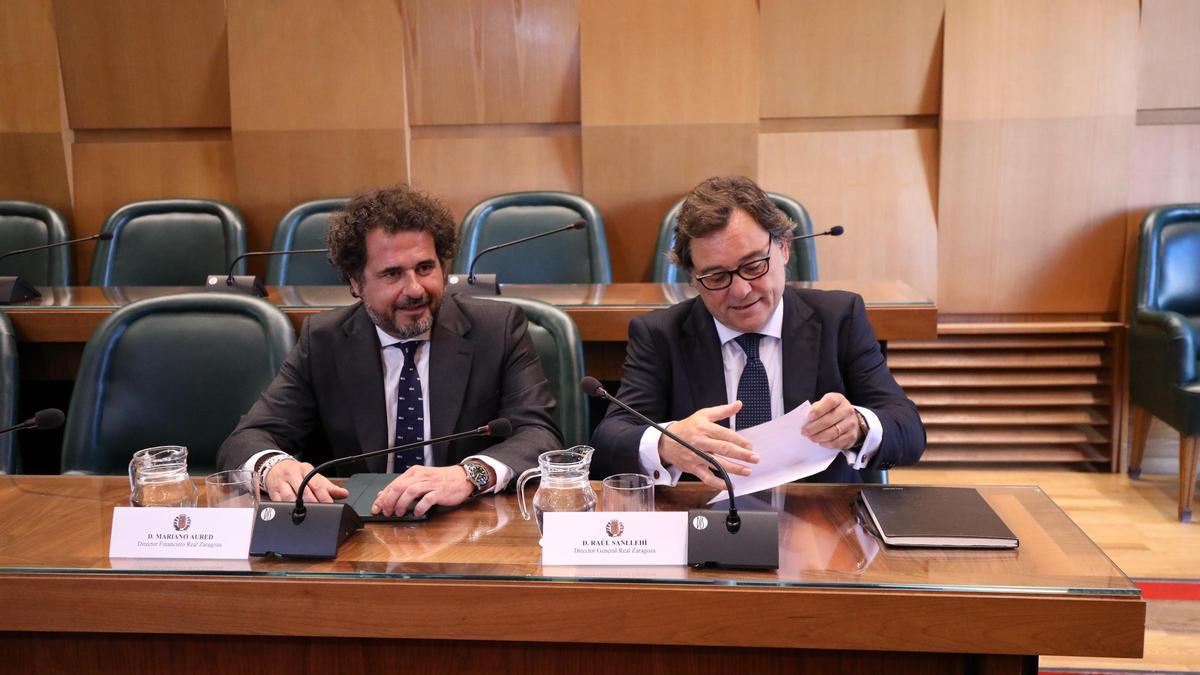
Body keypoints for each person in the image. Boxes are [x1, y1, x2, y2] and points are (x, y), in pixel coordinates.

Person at [218, 184, 561, 516]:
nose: (414, 289)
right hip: (359, 532)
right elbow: (246, 439)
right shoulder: (325, 340)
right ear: (355, 282)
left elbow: (539, 433)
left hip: (466, 525)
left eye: (425, 268)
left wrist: (470, 474)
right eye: (392, 274)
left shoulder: (496, 328)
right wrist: (275, 467)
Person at [590, 175, 924, 487]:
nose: (741, 291)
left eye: (753, 266)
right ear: (694, 279)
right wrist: (667, 442)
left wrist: (859, 427)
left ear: (783, 249)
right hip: (706, 522)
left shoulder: (839, 318)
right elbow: (609, 442)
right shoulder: (661, 334)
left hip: (819, 520)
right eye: (717, 277)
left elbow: (907, 430)